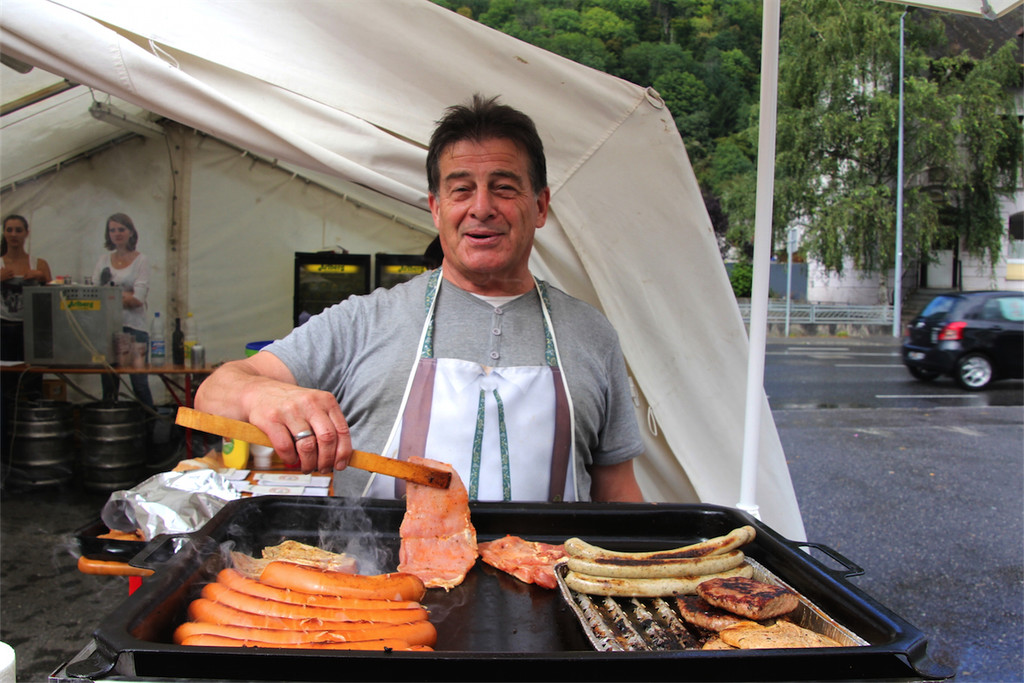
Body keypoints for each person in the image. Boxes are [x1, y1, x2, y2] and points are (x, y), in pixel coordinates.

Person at [196, 94, 644, 502]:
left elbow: (617, 490)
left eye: (504, 187)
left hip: (549, 567)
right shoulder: (365, 320)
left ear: (540, 206)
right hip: (381, 566)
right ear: (436, 208)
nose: (481, 207)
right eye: (461, 189)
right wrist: (260, 393)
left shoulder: (591, 334)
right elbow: (214, 392)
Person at [93, 212, 154, 410]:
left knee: (139, 384)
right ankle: (112, 422)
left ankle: (149, 421)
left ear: (131, 232)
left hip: (134, 329)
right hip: (109, 330)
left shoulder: (141, 260)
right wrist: (124, 294)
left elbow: (137, 299)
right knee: (109, 385)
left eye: (121, 229)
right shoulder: (103, 260)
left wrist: (111, 294)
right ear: (108, 234)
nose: (117, 233)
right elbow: (95, 296)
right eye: (112, 230)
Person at [1, 214, 52, 401]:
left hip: (33, 329)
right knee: (6, 382)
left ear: (26, 233)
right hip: (4, 328)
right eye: (9, 230)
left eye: (18, 230)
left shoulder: (39, 263)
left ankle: (32, 417)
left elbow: (53, 296)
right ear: (4, 233)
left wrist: (42, 277)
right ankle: (7, 418)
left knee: (33, 381)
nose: (14, 234)